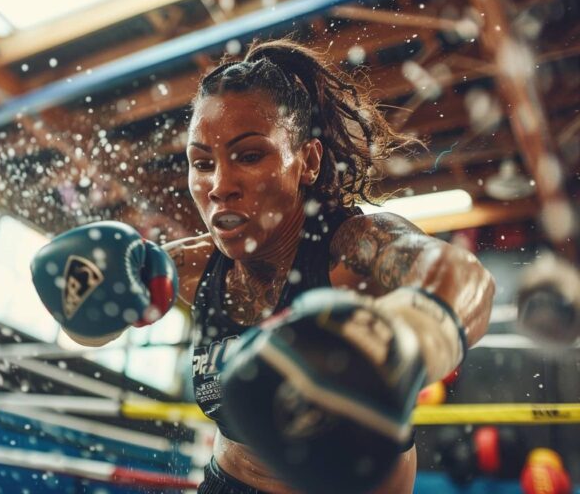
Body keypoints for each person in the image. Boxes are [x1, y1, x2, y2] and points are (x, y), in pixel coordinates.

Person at [31, 39, 495, 494]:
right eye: (201, 162)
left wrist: (405, 336)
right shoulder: (189, 267)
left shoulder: (352, 249)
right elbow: (86, 326)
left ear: (307, 161)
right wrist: (98, 302)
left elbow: (467, 279)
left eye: (250, 155)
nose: (220, 185)